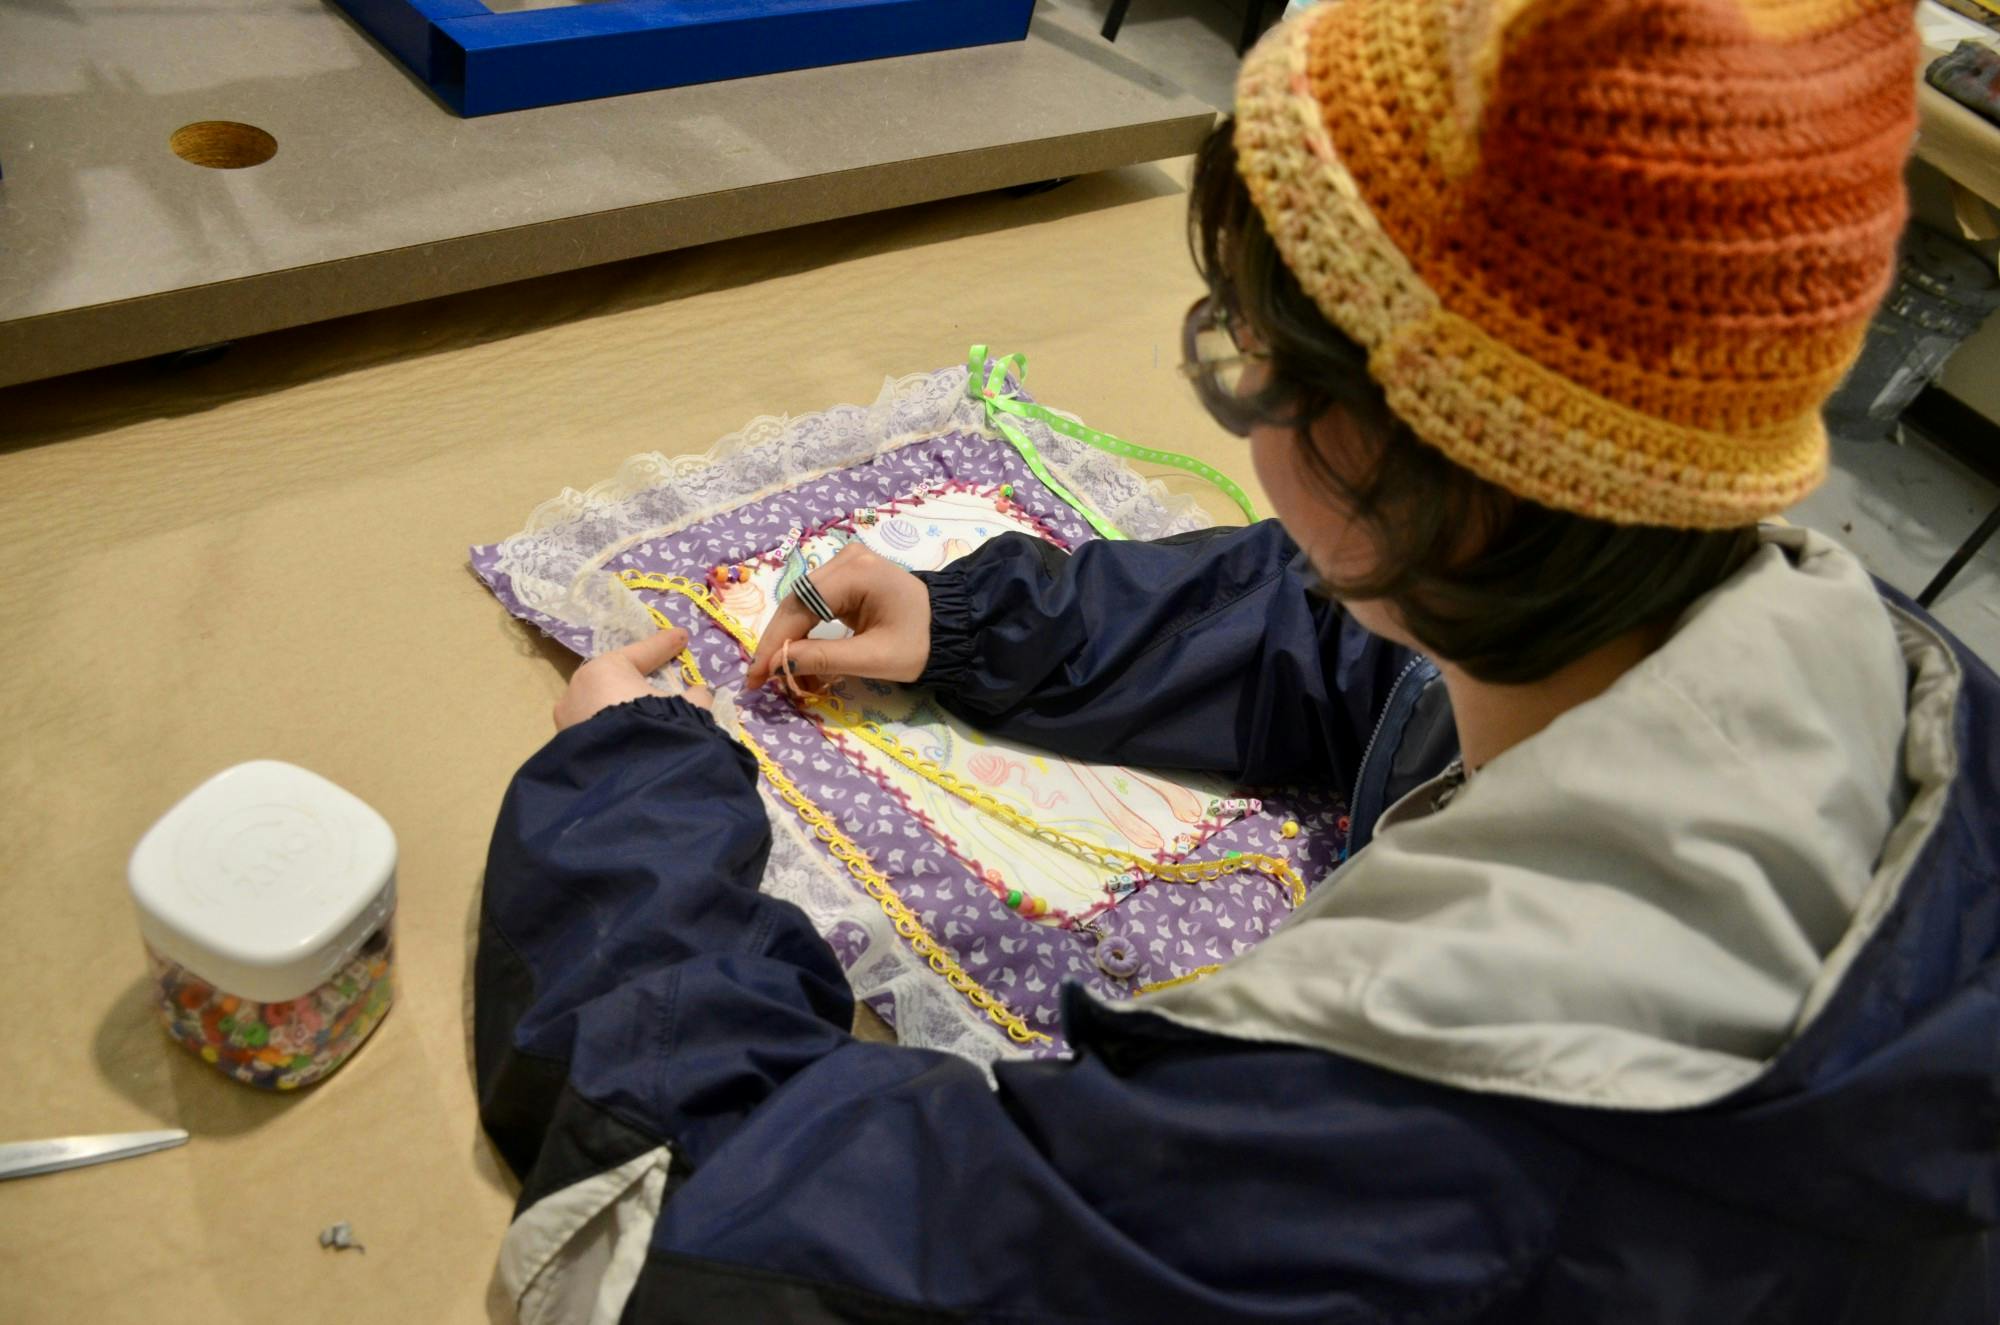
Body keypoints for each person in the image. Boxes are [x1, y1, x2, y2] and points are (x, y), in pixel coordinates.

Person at [474, 1, 2000, 1320]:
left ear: (1406, 451)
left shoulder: (1380, 1142)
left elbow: (693, 1218)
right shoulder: (1841, 667)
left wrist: (628, 796)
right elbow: (1355, 644)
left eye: (1243, 347)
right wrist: (983, 623)